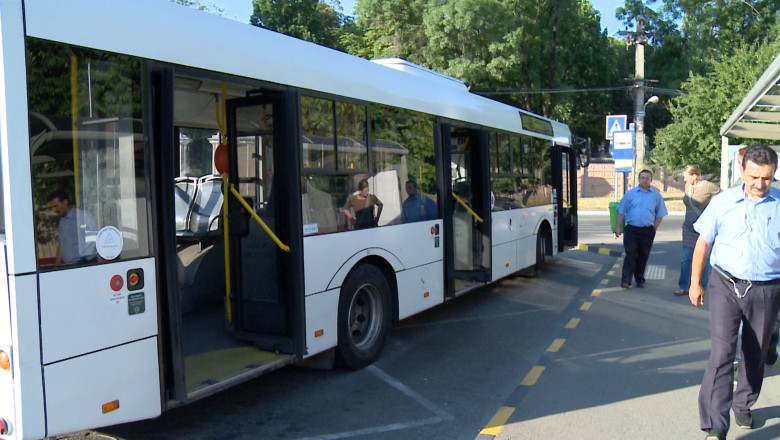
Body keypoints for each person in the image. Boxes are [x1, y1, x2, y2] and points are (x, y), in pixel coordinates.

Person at [689, 144, 780, 440]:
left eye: (766, 178)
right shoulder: (723, 201)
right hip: (725, 285)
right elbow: (703, 242)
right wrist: (694, 282)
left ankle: (744, 403)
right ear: (742, 170)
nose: (759, 184)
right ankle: (715, 426)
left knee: (756, 354)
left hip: (767, 290)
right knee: (722, 354)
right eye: (754, 176)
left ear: (774, 174)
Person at [614, 169, 668, 289]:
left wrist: (653, 229)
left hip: (647, 231)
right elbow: (621, 212)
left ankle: (640, 279)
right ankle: (626, 280)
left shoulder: (656, 196)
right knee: (631, 254)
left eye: (647, 178)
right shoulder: (630, 194)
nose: (645, 180)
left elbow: (660, 214)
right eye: (642, 178)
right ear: (639, 179)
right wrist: (618, 227)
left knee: (643, 255)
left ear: (651, 180)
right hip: (631, 230)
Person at [675, 164, 720, 296]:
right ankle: (683, 286)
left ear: (694, 175)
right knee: (686, 257)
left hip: (703, 228)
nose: (684, 180)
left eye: (686, 176)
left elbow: (722, 198)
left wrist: (713, 212)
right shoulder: (688, 186)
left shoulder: (708, 186)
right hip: (688, 227)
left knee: (703, 259)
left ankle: (702, 287)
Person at [46, 190, 98, 265]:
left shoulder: (83, 216)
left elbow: (96, 238)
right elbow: (62, 244)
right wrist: (56, 267)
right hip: (69, 266)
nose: (54, 210)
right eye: (51, 208)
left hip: (85, 264)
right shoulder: (61, 221)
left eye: (56, 206)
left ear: (65, 202)